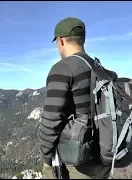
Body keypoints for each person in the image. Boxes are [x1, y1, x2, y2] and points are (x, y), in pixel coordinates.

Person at [39, 17, 111, 179]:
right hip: (103, 158)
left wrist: (46, 159)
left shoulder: (62, 68)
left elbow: (51, 120)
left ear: (61, 41)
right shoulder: (99, 68)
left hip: (76, 163)